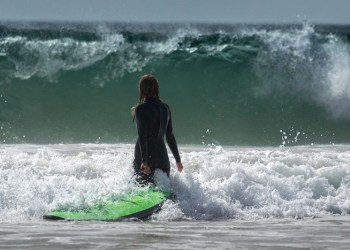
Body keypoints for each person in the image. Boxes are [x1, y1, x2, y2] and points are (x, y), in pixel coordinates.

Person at [132, 74, 183, 184]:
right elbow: (170, 136)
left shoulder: (141, 108)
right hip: (161, 155)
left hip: (146, 155)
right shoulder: (165, 108)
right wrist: (178, 160)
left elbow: (142, 136)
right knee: (164, 190)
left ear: (142, 89)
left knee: (141, 190)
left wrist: (144, 161)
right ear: (156, 88)